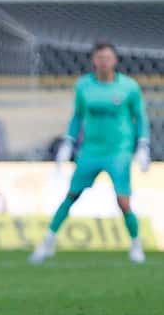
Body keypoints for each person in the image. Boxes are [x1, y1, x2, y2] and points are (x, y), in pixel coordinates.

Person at [30, 42, 150, 264]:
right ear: (94, 60)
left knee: (123, 201)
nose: (104, 62)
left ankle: (136, 244)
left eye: (108, 57)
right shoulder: (84, 86)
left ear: (115, 60)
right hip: (90, 150)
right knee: (71, 196)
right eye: (100, 57)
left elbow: (140, 117)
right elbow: (77, 116)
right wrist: (68, 142)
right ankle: (47, 242)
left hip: (118, 151)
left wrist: (142, 144)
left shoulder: (129, 87)